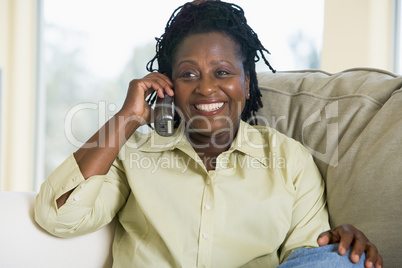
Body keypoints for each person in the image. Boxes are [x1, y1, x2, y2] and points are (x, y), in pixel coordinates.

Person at [34, 1, 383, 267]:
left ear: (246, 83)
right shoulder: (134, 154)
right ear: (168, 85)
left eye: (222, 72)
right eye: (188, 74)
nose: (206, 88)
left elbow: (306, 256)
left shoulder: (290, 161)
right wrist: (127, 118)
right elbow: (58, 214)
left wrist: (339, 252)